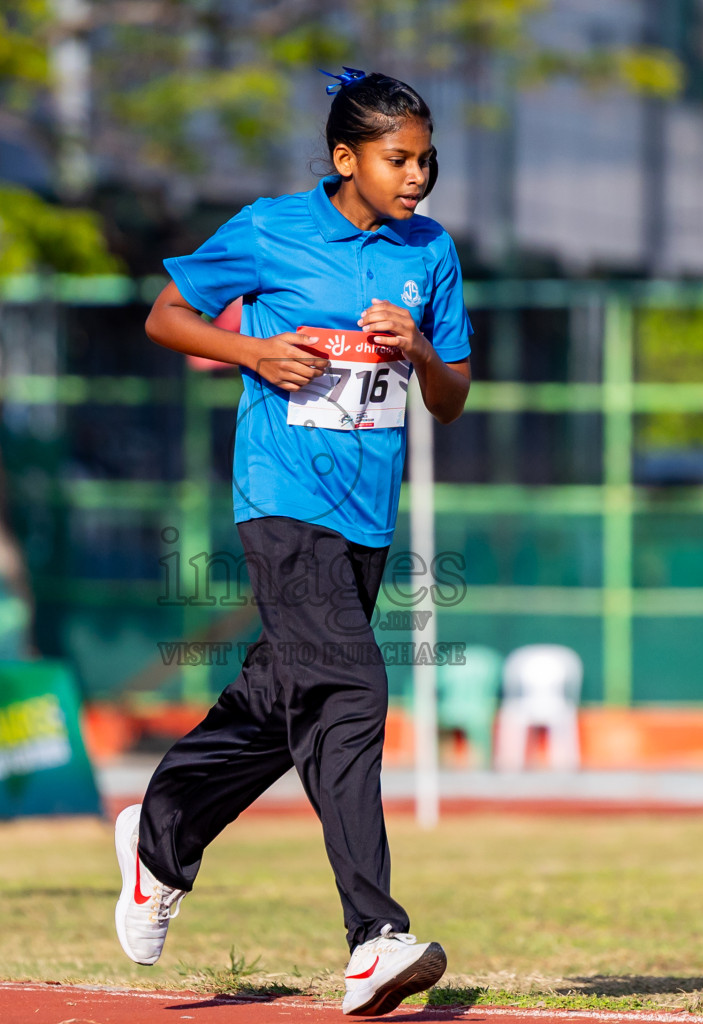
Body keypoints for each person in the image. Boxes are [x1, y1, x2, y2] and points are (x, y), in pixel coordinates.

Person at [112, 69, 472, 1017]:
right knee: (353, 690)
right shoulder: (271, 228)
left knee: (284, 700)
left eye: (427, 159)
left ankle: (160, 837)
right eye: (399, 159)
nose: (418, 176)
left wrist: (421, 352)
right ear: (346, 158)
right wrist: (254, 352)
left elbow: (454, 396)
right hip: (279, 503)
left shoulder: (429, 252)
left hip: (366, 522)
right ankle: (374, 938)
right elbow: (164, 315)